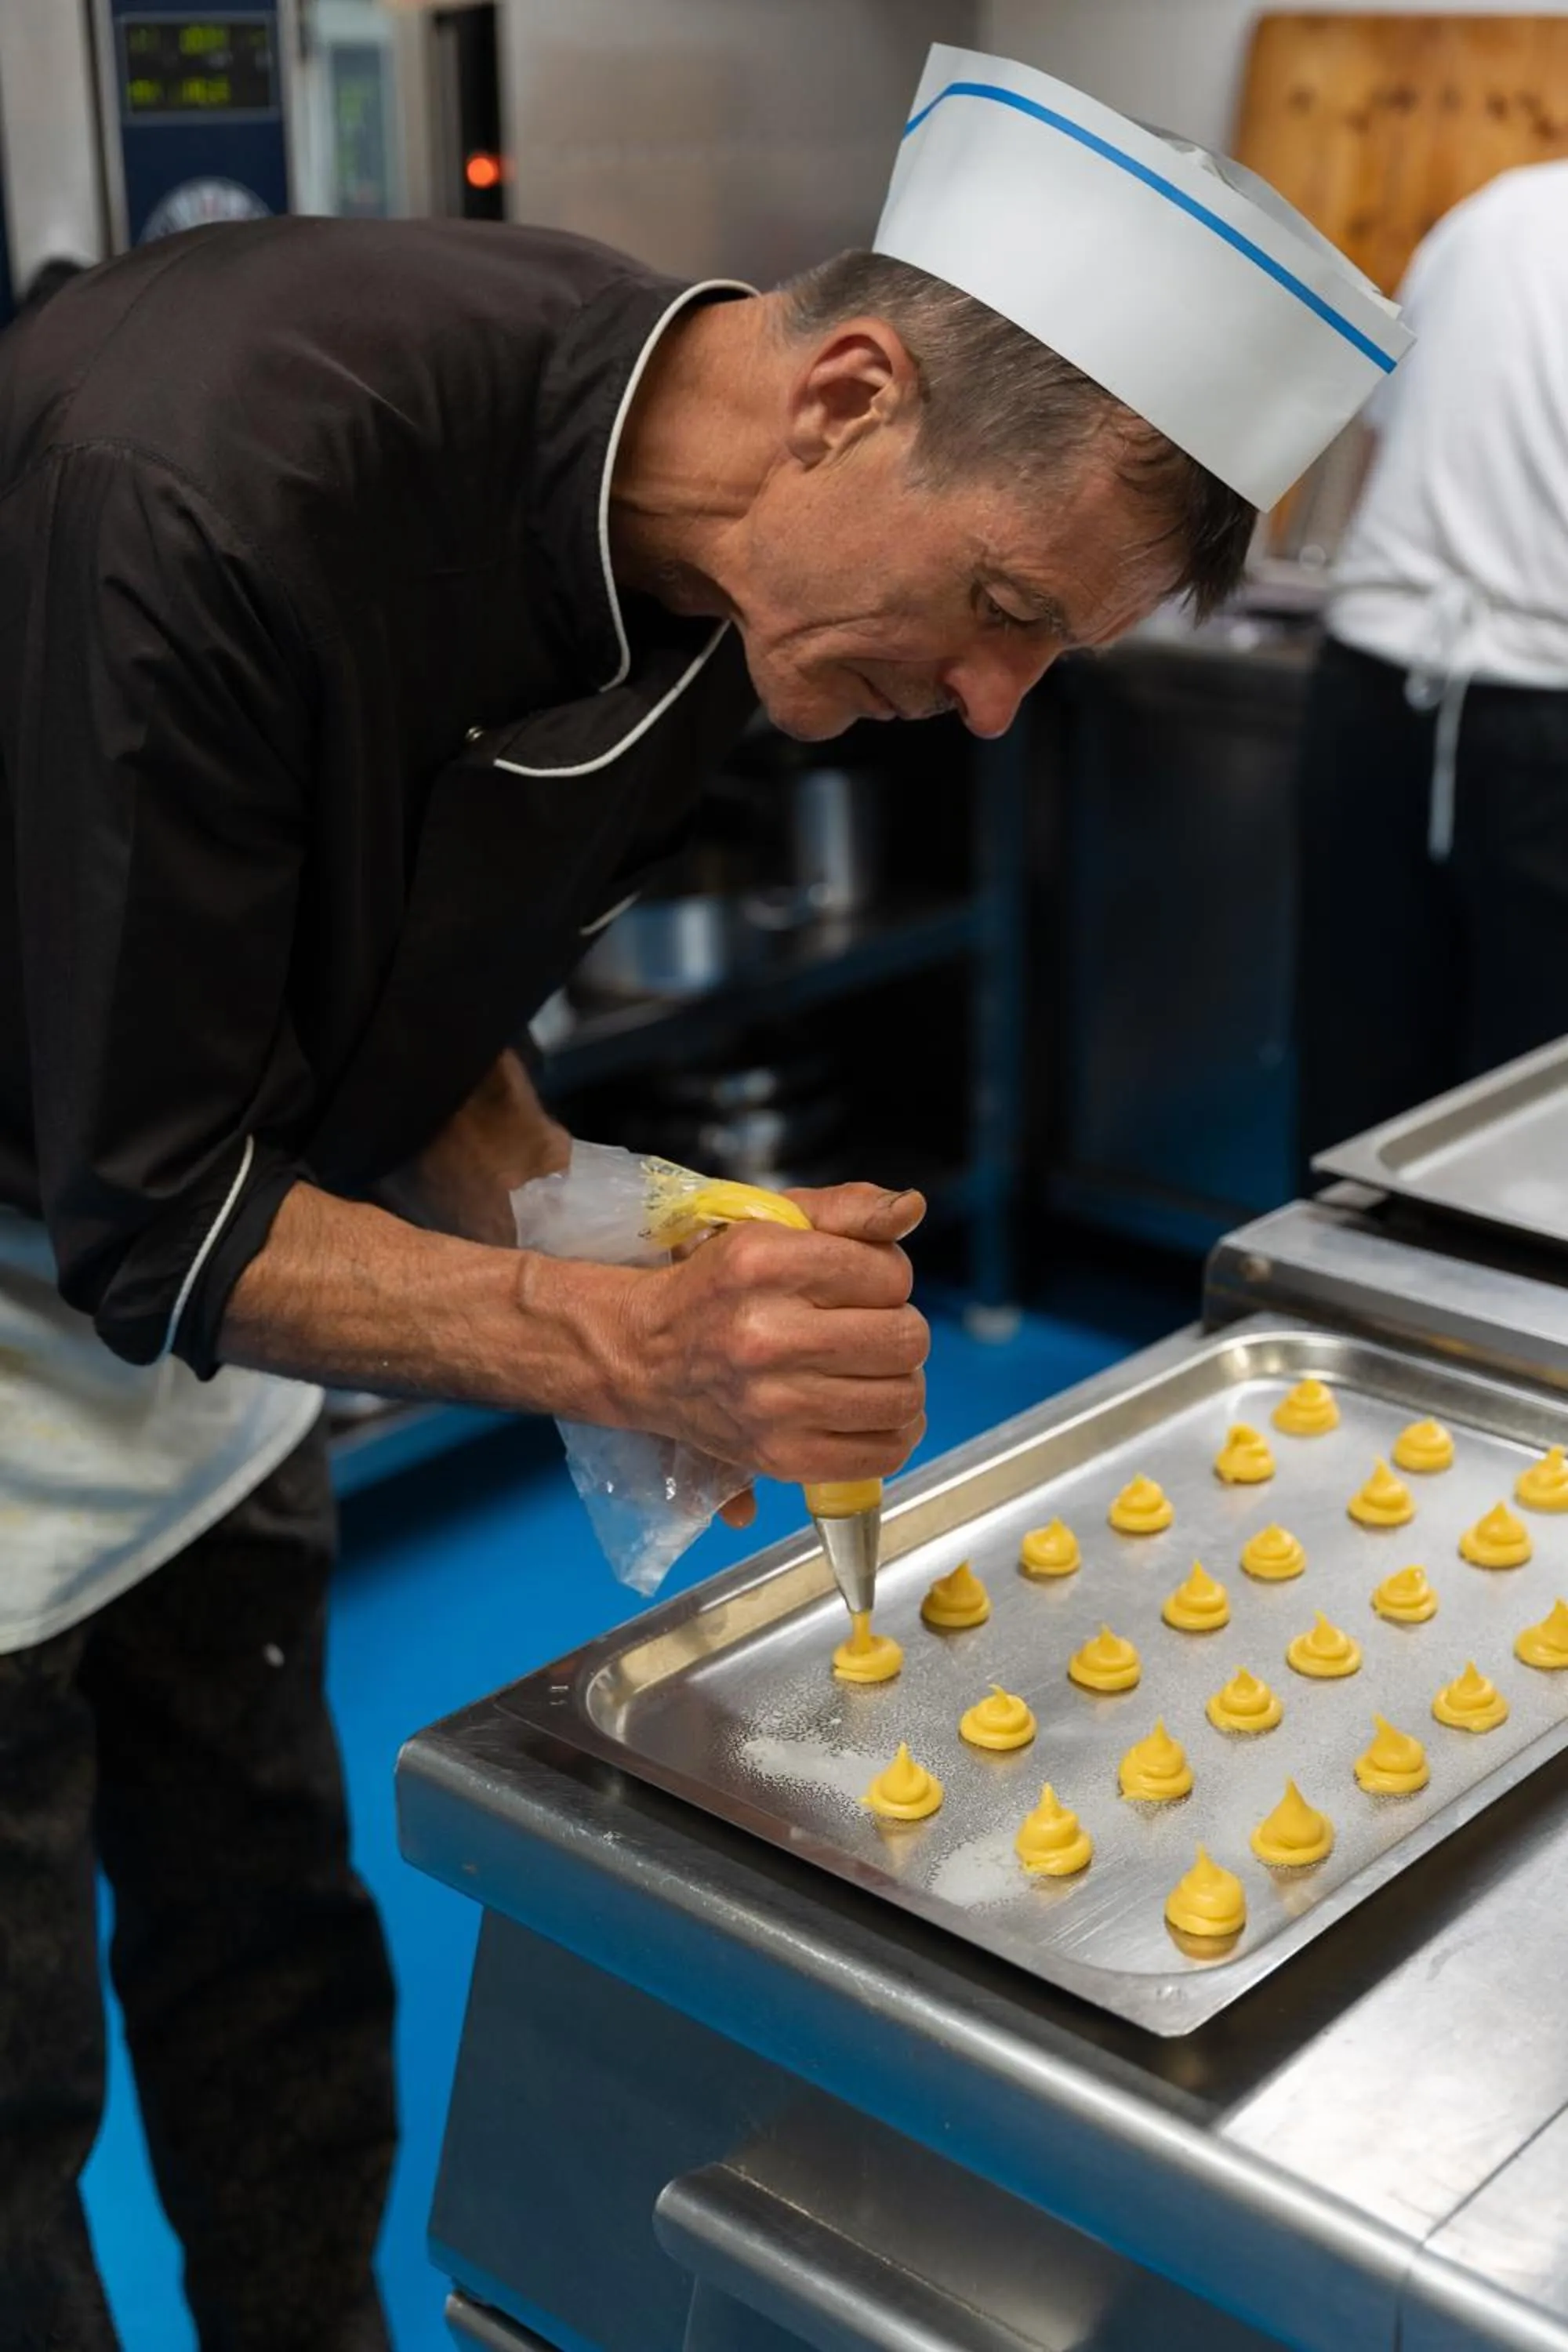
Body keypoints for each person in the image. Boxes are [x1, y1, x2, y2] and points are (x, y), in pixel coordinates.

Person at [0, 42, 1403, 2352]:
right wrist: (619, 1343)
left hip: (221, 1355)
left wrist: (594, 1213)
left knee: (271, 1947)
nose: (985, 706)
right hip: (53, 1280)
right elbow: (143, 1213)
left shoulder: (728, 564)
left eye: (1047, 653)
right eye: (1003, 605)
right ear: (853, 393)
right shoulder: (207, 491)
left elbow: (412, 984)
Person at [1296, 159, 1568, 1167]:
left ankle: (1323, 1317)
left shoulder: (1487, 213)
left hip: (1370, 684)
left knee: (1356, 1078)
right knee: (1530, 1129)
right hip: (1541, 709)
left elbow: (1371, 445)